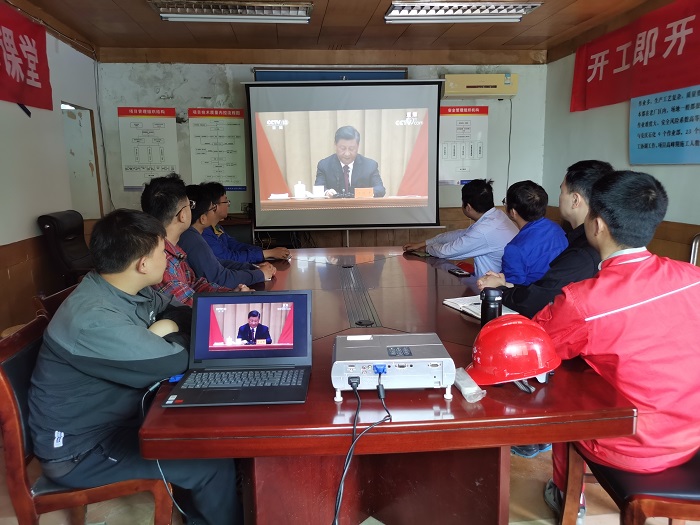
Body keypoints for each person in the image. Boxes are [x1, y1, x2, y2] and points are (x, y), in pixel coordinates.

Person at [28, 209, 242, 525]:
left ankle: (212, 507)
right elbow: (174, 360)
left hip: (122, 417)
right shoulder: (94, 319)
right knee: (210, 463)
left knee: (212, 435)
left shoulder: (123, 289)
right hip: (82, 449)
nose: (167, 260)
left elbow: (179, 311)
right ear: (142, 264)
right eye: (162, 253)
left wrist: (168, 328)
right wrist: (172, 334)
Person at [533, 171, 700, 523]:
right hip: (692, 435)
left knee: (564, 392)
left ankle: (567, 494)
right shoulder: (692, 277)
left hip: (627, 445)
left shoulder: (584, 301)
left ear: (597, 225)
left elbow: (539, 345)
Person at [477, 160, 612, 320]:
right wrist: (506, 285)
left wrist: (500, 289)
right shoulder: (566, 234)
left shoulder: (583, 253)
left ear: (575, 200)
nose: (560, 197)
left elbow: (538, 302)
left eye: (562, 191)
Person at [141, 173, 249, 306]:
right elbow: (191, 305)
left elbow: (194, 284)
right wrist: (231, 300)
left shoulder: (174, 250)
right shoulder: (160, 261)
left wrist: (230, 293)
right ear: (182, 215)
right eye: (190, 205)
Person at [403, 179, 518, 277]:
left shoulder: (483, 231)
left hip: (495, 289)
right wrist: (423, 243)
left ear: (468, 207)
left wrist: (427, 248)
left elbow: (446, 252)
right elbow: (459, 235)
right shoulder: (497, 216)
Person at [179, 185, 275, 288]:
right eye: (212, 209)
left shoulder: (195, 234)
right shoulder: (192, 239)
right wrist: (259, 274)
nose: (215, 211)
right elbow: (220, 278)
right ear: (203, 218)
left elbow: (217, 262)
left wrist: (253, 267)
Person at [479, 180, 567, 288]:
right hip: (561, 292)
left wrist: (495, 282)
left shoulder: (514, 249)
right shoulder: (557, 229)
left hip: (535, 297)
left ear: (513, 212)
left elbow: (511, 290)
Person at [200, 181, 291, 263]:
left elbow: (236, 246)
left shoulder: (217, 227)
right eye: (226, 201)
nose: (228, 205)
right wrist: (267, 253)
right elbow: (227, 258)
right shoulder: (204, 232)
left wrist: (267, 252)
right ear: (214, 207)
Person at [315, 125, 386, 198]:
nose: (347, 153)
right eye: (342, 148)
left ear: (358, 146)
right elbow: (318, 188)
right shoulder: (324, 165)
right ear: (335, 145)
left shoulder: (370, 166)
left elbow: (380, 189)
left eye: (351, 149)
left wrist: (361, 193)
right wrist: (327, 192)